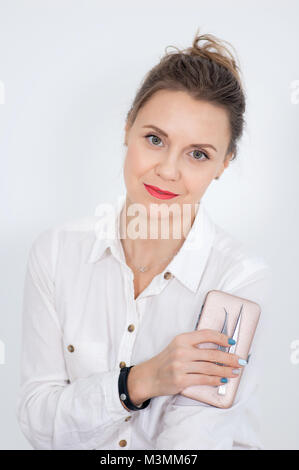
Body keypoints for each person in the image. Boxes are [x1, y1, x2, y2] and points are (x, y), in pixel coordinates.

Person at [16, 28, 271, 450]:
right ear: (127, 127)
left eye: (198, 153)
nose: (168, 170)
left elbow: (190, 447)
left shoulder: (239, 282)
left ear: (224, 163)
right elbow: (38, 420)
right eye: (155, 139)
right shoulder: (56, 253)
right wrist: (140, 380)